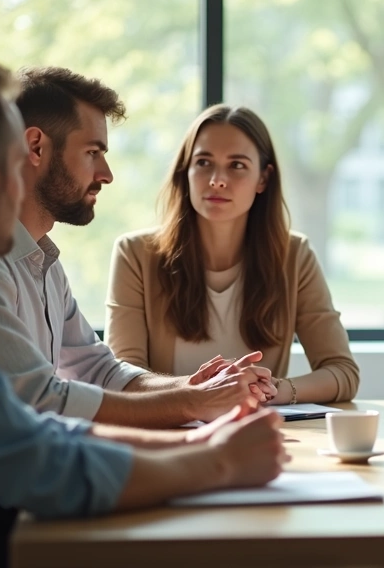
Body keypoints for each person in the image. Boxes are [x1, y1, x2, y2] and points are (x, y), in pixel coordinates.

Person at [0, 56, 287, 568]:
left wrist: (199, 441)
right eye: (14, 170)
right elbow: (37, 465)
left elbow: (32, 431)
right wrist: (218, 462)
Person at [0, 66, 270, 429]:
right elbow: (38, 399)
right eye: (93, 152)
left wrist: (194, 386)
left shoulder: (44, 266)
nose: (106, 173)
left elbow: (99, 370)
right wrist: (193, 403)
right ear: (36, 147)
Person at [105, 105, 360, 404]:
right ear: (185, 171)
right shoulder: (134, 255)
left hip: (258, 433)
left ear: (263, 179)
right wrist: (204, 391)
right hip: (169, 437)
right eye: (203, 162)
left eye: (236, 165)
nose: (217, 179)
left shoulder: (295, 256)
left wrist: (273, 389)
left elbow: (342, 373)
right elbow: (123, 377)